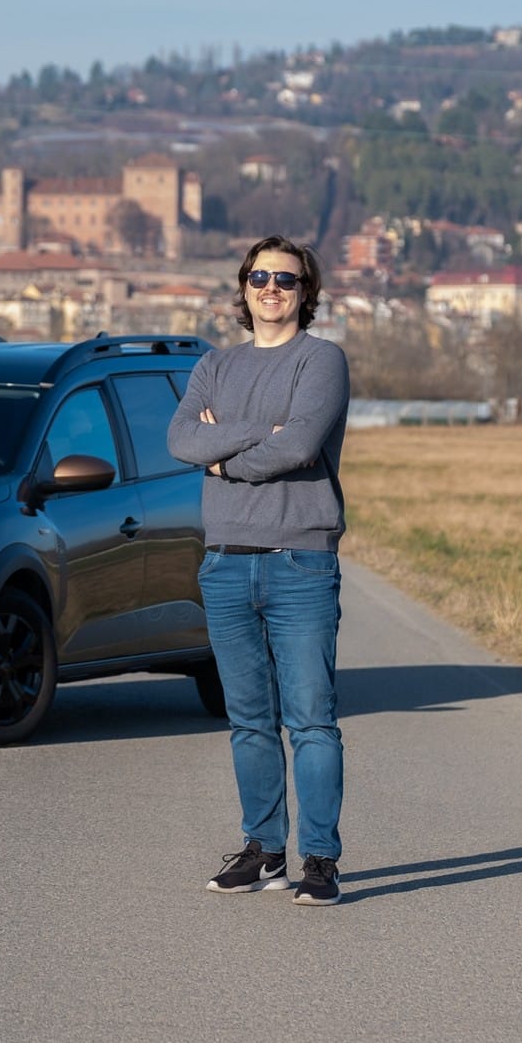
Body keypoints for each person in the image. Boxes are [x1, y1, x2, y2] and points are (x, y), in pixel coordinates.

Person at [167, 235, 350, 906]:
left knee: (310, 719)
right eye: (260, 277)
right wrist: (258, 433)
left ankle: (320, 861)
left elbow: (301, 445)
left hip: (300, 559)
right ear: (243, 288)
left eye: (286, 279)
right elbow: (181, 439)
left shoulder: (322, 360)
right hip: (224, 562)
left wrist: (224, 452)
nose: (272, 288)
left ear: (307, 292)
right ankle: (264, 850)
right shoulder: (214, 365)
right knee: (248, 719)